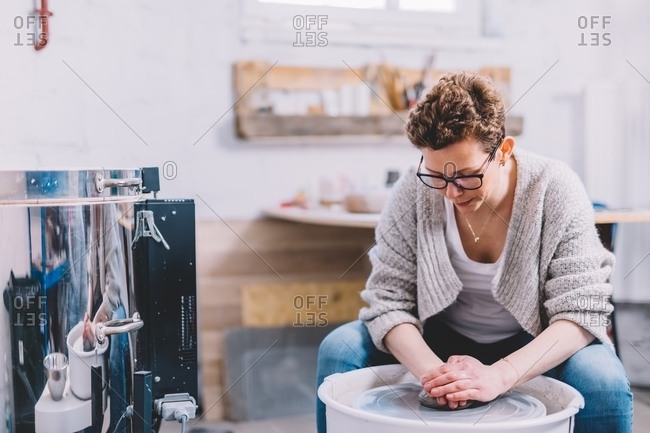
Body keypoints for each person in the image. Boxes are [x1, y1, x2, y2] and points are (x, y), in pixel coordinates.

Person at [316, 72, 633, 433]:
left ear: (504, 151)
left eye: (467, 175)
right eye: (436, 176)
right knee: (338, 349)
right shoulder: (413, 190)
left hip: (533, 338)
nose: (451, 192)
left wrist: (499, 376)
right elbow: (388, 302)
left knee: (602, 381)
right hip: (438, 338)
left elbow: (581, 310)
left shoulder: (554, 187)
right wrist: (436, 376)